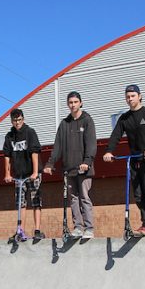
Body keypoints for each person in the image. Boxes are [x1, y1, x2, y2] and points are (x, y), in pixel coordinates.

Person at [102, 84, 145, 236]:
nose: (130, 99)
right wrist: (109, 151)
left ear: (139, 96)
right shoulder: (125, 118)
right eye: (127, 97)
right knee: (138, 195)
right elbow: (116, 136)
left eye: (132, 96)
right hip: (135, 159)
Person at [44, 91, 97, 239]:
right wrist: (50, 163)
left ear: (80, 103)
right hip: (69, 169)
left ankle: (89, 228)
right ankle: (78, 228)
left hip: (84, 168)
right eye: (70, 102)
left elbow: (91, 144)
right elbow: (57, 147)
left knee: (84, 197)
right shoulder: (64, 124)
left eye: (75, 102)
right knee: (73, 199)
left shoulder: (87, 120)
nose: (73, 105)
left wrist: (87, 162)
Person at [3, 108, 44, 240]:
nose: (17, 123)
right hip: (19, 175)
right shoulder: (9, 136)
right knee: (21, 203)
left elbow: (34, 152)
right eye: (15, 121)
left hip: (32, 173)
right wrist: (7, 174)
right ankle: (20, 231)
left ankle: (37, 230)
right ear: (11, 121)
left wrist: (35, 172)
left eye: (19, 120)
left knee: (36, 201)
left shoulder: (30, 132)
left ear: (23, 119)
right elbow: (7, 156)